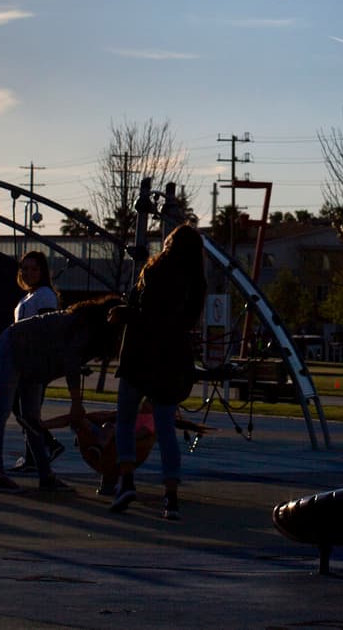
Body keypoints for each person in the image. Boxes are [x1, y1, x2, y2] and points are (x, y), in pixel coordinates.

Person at [107, 223, 207, 520]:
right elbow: (181, 321)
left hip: (140, 356)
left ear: (171, 243)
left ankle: (126, 479)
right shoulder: (196, 281)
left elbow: (148, 315)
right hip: (170, 362)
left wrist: (125, 313)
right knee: (165, 430)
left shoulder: (155, 272)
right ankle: (171, 496)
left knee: (125, 421)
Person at [0, 296, 122, 493]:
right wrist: (76, 402)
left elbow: (59, 361)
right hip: (14, 344)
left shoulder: (92, 333)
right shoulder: (85, 326)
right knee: (2, 410)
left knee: (32, 419)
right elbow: (71, 361)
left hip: (35, 363)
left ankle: (46, 476)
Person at [9, 250, 67, 473]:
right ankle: (33, 456)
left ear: (42, 272)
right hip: (22, 362)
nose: (28, 273)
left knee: (26, 411)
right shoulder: (27, 297)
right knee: (26, 411)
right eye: (24, 268)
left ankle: (48, 445)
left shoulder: (45, 296)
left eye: (34, 269)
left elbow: (47, 329)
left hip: (35, 363)